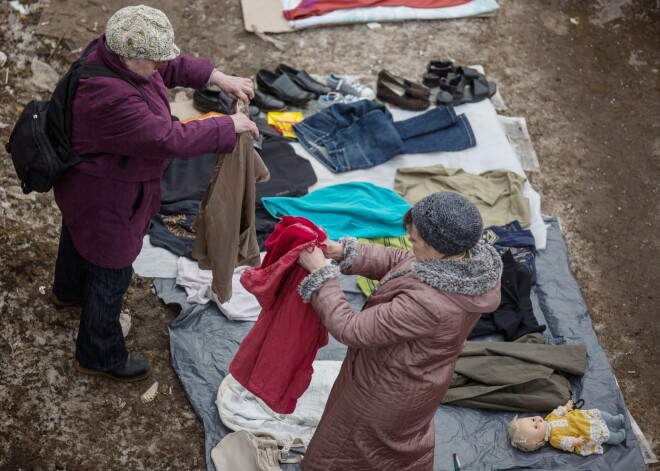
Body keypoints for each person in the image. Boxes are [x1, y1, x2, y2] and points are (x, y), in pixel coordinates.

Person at [50, 5, 258, 382]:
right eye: (154, 60)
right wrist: (227, 126)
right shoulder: (110, 98)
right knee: (112, 269)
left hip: (86, 188)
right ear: (130, 56)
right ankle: (98, 352)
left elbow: (168, 64)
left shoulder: (112, 51)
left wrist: (216, 77)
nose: (161, 66)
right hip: (108, 196)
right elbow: (165, 138)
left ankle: (67, 292)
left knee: (80, 236)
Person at [296, 191, 503, 470]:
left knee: (345, 452)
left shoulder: (430, 304)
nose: (409, 240)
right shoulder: (462, 264)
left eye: (415, 238)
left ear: (438, 247)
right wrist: (344, 253)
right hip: (416, 383)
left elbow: (351, 328)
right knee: (385, 455)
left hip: (382, 394)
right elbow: (405, 261)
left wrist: (321, 275)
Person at [508, 399, 627, 456]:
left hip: (579, 418)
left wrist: (566, 407)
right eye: (535, 427)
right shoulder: (554, 439)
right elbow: (566, 442)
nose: (537, 420)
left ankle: (613, 420)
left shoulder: (549, 419)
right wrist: (576, 441)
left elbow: (558, 413)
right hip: (581, 431)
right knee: (600, 433)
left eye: (532, 419)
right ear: (538, 440)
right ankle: (616, 438)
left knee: (597, 414)